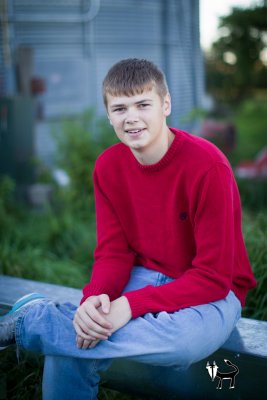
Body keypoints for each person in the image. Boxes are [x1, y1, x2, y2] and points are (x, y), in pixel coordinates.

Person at [0, 58, 256, 399]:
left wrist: (129, 307)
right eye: (119, 108)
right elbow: (113, 253)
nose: (131, 117)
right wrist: (95, 299)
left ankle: (33, 323)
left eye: (143, 104)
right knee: (76, 339)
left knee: (181, 345)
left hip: (213, 291)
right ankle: (59, 324)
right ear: (109, 115)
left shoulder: (208, 166)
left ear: (165, 104)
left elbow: (213, 276)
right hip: (145, 273)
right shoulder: (108, 167)